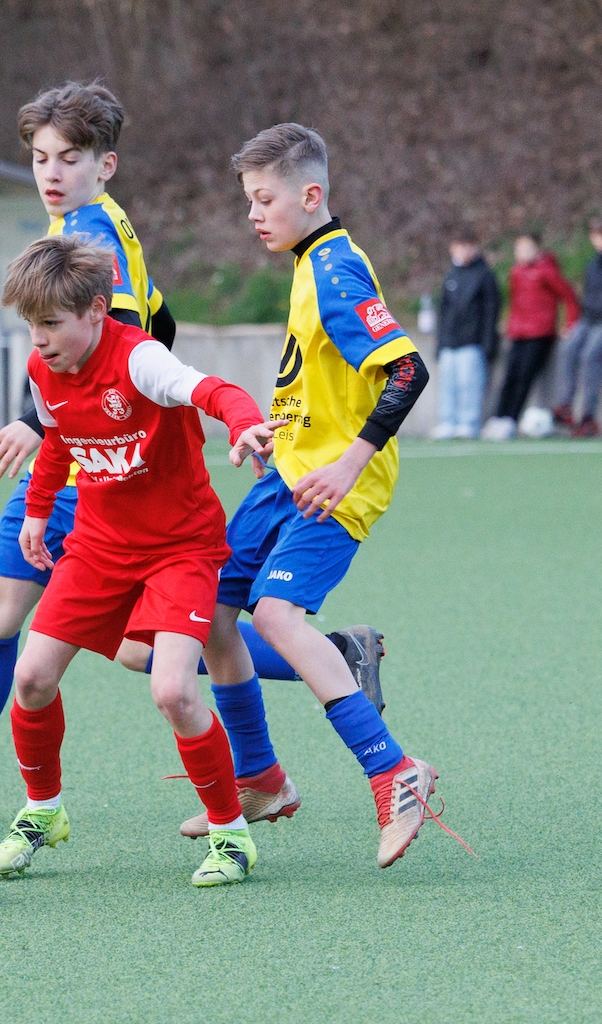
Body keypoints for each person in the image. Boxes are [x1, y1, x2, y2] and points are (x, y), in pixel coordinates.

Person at [0, 83, 383, 833]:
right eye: (40, 158)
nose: (52, 172)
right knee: (140, 641)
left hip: (95, 468)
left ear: (105, 164)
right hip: (91, 454)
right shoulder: (88, 225)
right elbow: (160, 317)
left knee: (51, 623)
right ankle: (313, 681)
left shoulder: (92, 230)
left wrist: (43, 422)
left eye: (69, 158)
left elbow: (120, 341)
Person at [193, 123, 456, 871]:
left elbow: (407, 371)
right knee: (210, 614)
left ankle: (393, 772)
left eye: (264, 199)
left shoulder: (336, 267)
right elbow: (322, 384)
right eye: (249, 200)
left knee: (275, 617)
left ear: (311, 195)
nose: (253, 214)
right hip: (287, 476)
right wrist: (274, 433)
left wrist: (347, 464)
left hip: (333, 489)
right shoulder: (310, 264)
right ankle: (260, 779)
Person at [0, 235, 272, 887]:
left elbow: (213, 390)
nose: (39, 340)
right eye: (30, 325)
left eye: (51, 323)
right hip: (98, 546)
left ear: (95, 310)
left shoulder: (141, 360)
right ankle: (43, 811)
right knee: (31, 677)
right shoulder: (44, 369)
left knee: (172, 690)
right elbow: (58, 440)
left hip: (181, 547)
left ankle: (231, 835)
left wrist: (244, 423)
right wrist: (36, 512)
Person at [481, 233, 580, 441]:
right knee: (509, 376)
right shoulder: (516, 271)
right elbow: (515, 301)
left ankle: (511, 420)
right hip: (518, 333)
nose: (522, 253)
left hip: (539, 333)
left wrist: (570, 323)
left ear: (537, 250)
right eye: (519, 249)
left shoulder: (547, 271)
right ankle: (499, 417)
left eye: (527, 249)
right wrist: (509, 322)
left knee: (524, 377)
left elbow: (568, 296)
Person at [552, 218, 602, 437]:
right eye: (597, 237)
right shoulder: (593, 264)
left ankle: (588, 416)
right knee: (568, 348)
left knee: (590, 355)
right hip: (590, 320)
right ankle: (566, 405)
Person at [430, 228, 500, 439]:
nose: (464, 251)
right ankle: (447, 421)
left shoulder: (484, 275)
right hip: (449, 341)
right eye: (460, 247)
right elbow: (443, 311)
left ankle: (469, 422)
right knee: (448, 384)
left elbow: (491, 312)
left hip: (472, 342)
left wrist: (488, 344)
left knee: (469, 385)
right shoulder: (451, 275)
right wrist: (439, 342)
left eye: (469, 246)